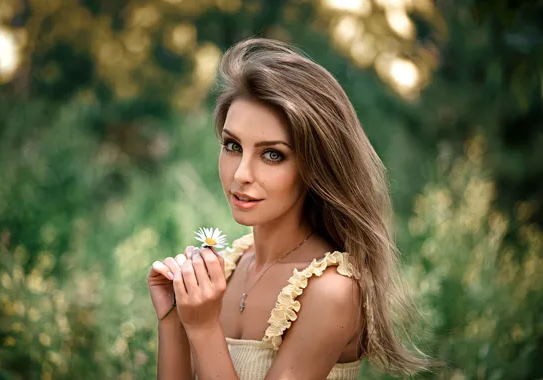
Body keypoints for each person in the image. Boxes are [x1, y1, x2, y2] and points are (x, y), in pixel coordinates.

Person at [147, 37, 431, 380]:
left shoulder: (331, 288)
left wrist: (205, 328)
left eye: (272, 154)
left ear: (315, 166)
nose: (241, 174)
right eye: (233, 145)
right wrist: (175, 320)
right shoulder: (231, 268)